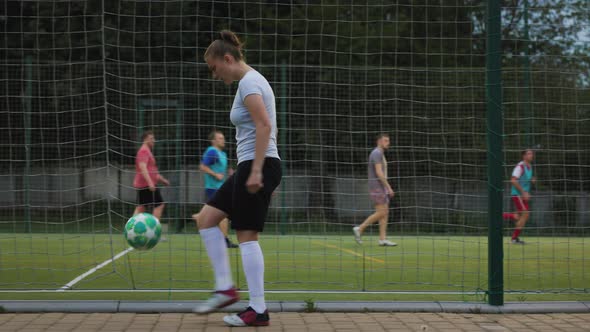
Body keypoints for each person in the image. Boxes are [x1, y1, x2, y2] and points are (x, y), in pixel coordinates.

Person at [192, 30, 282, 327]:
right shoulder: (248, 83)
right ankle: (225, 289)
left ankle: (258, 310)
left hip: (259, 165)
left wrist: (256, 170)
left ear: (227, 58)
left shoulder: (249, 82)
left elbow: (264, 125)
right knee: (205, 219)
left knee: (246, 235)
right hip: (248, 165)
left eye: (214, 68)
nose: (214, 75)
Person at [353, 133, 397, 246]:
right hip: (377, 187)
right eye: (385, 140)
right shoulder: (377, 153)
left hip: (380, 186)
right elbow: (379, 172)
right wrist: (388, 187)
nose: (388, 143)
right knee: (381, 212)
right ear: (379, 141)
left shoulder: (380, 153)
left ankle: (382, 239)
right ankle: (360, 228)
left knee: (385, 212)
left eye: (388, 140)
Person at [198, 130, 238, 248]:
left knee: (220, 215)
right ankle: (224, 240)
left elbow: (220, 170)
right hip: (213, 188)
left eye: (223, 138)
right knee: (223, 214)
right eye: (220, 138)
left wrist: (230, 173)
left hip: (220, 188)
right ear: (213, 141)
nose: (223, 140)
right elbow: (202, 166)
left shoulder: (222, 154)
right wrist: (215, 175)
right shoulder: (212, 151)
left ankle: (199, 218)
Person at [133, 130, 170, 224]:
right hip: (146, 184)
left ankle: (131, 228)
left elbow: (152, 171)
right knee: (159, 205)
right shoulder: (144, 151)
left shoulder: (147, 151)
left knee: (141, 207)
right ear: (145, 139)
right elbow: (142, 167)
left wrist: (162, 180)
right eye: (151, 138)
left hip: (145, 184)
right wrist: (150, 182)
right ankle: (154, 229)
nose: (154, 140)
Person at [503, 149, 536, 244]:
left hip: (522, 195)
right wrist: (523, 192)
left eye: (532, 153)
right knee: (525, 214)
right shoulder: (520, 166)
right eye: (529, 154)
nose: (531, 155)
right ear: (524, 156)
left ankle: (499, 216)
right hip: (517, 194)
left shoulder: (530, 166)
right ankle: (514, 239)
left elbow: (524, 180)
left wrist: (531, 180)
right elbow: (513, 180)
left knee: (519, 216)